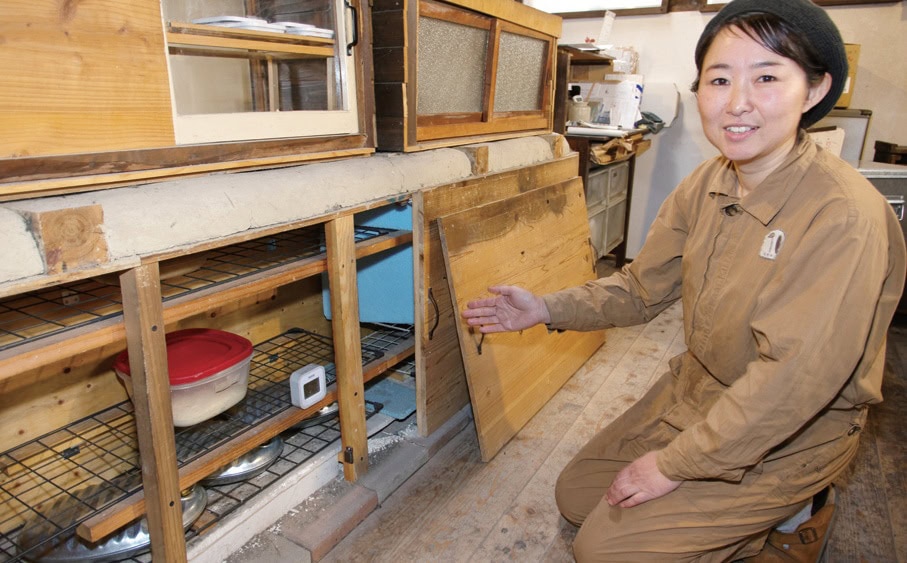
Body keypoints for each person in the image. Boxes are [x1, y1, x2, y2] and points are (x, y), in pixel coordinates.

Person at [461, 0, 906, 560]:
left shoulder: (842, 216)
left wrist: (674, 465)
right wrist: (546, 308)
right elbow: (640, 288)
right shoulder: (709, 181)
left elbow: (793, 383)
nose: (737, 102)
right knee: (576, 498)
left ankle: (795, 519)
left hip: (793, 429)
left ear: (815, 91)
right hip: (700, 391)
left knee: (603, 551)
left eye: (767, 77)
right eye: (719, 79)